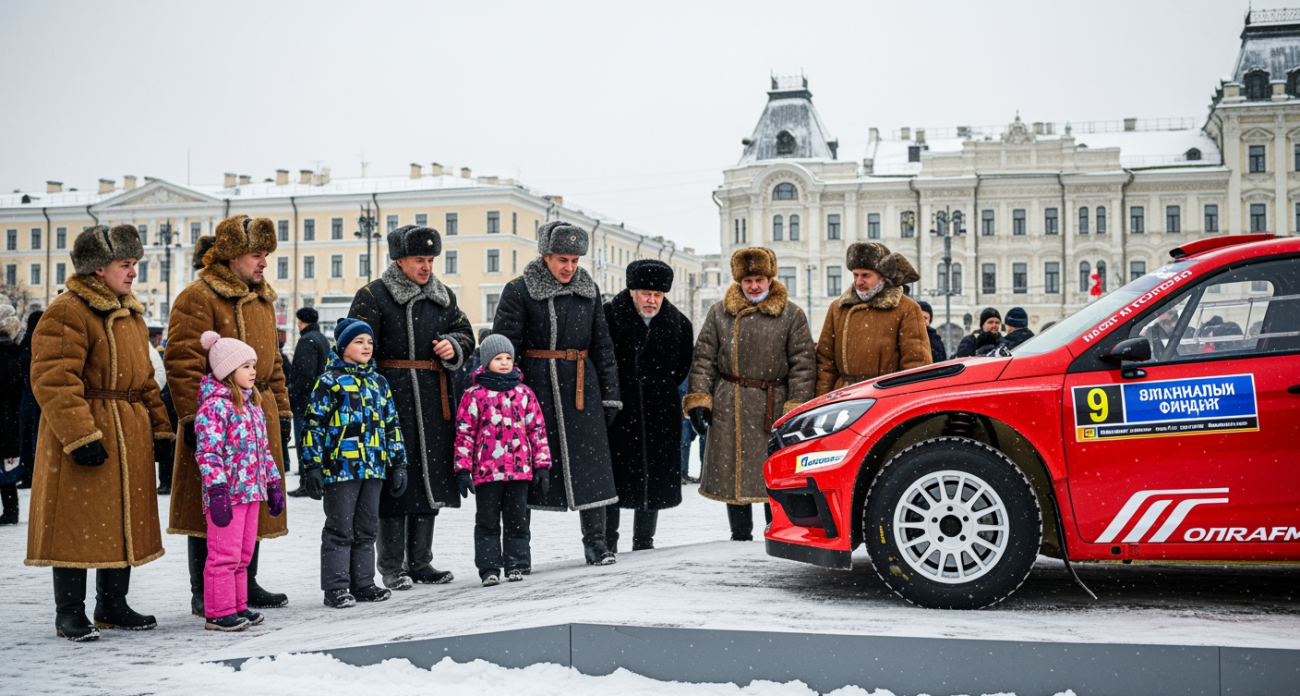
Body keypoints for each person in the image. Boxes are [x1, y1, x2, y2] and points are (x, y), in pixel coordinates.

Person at [25, 224, 173, 642]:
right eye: (125, 265)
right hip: (87, 430)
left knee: (119, 518)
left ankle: (112, 604)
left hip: (128, 430)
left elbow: (144, 379)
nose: (133, 273)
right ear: (97, 270)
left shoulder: (130, 313)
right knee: (77, 522)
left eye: (134, 265)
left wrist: (161, 429)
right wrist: (80, 434)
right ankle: (69, 612)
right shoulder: (67, 310)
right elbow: (54, 377)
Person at [166, 215, 292, 617]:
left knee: (251, 503)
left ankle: (245, 581)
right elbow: (183, 362)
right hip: (216, 420)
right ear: (233, 256)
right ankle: (205, 590)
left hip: (255, 416)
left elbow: (273, 368)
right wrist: (190, 418)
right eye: (257, 255)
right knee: (213, 510)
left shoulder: (264, 300)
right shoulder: (198, 297)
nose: (264, 264)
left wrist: (283, 410)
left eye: (266, 255)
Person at [349, 224, 475, 589]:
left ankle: (421, 561)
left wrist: (454, 344)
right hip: (392, 398)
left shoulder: (443, 295)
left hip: (434, 400)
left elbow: (466, 332)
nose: (427, 267)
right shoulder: (373, 295)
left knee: (429, 480)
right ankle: (391, 567)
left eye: (431, 260)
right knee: (395, 483)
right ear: (400, 260)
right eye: (419, 259)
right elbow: (357, 345)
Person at [492, 221, 622, 565]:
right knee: (526, 473)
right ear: (546, 256)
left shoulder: (588, 291)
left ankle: (597, 545)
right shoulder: (519, 291)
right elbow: (505, 348)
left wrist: (609, 394)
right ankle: (518, 555)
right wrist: (508, 396)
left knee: (591, 470)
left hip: (583, 391)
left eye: (575, 261)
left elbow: (603, 346)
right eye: (562, 259)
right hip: (535, 393)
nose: (569, 267)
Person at [684, 247, 815, 541]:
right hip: (730, 401)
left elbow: (803, 364)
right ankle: (739, 533)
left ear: (770, 278)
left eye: (759, 279)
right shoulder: (719, 312)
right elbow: (704, 357)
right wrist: (700, 400)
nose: (753, 286)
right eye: (747, 281)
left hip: (774, 403)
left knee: (774, 473)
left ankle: (778, 531)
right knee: (735, 471)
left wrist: (796, 405)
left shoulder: (792, 314)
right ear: (739, 282)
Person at [299, 318, 407, 607]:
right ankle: (336, 587)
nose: (366, 347)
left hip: (373, 467)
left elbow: (391, 425)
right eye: (359, 341)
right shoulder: (330, 382)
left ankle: (363, 582)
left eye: (369, 342)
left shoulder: (378, 382)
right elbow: (314, 425)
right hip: (340, 469)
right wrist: (311, 465)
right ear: (343, 346)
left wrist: (399, 463)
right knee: (339, 528)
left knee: (367, 527)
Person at [193, 331, 285, 631]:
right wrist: (217, 489)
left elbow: (264, 451)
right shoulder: (214, 407)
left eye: (253, 365)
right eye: (245, 366)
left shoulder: (251, 406)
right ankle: (218, 612)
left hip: (252, 493)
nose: (253, 371)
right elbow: (208, 452)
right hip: (228, 495)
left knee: (243, 556)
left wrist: (272, 484)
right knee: (224, 556)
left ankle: (237, 605)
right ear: (227, 372)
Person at [603, 260, 694, 552]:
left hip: (659, 412)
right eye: (645, 293)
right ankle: (607, 541)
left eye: (657, 294)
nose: (652, 300)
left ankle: (644, 540)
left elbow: (681, 368)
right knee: (613, 478)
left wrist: (657, 387)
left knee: (651, 477)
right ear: (632, 291)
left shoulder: (679, 324)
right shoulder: (607, 318)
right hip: (618, 411)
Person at [453, 334, 552, 585]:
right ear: (486, 362)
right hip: (487, 473)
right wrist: (462, 469)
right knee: (487, 521)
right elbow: (465, 434)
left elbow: (537, 431)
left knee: (517, 520)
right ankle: (489, 568)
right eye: (498, 358)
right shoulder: (474, 395)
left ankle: (516, 563)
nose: (505, 362)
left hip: (519, 471)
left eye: (508, 357)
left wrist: (542, 466)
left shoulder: (524, 393)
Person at [815, 242, 930, 396]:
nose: (859, 282)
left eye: (866, 275)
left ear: (882, 276)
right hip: (843, 399)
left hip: (885, 398)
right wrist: (822, 401)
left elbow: (916, 365)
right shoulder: (838, 308)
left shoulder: (906, 309)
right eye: (856, 275)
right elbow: (826, 363)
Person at [287, 306, 331, 498]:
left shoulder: (306, 341)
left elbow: (304, 374)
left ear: (300, 321)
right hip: (321, 398)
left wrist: (294, 394)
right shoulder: (322, 339)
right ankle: (317, 480)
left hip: (305, 401)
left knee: (303, 439)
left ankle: (306, 482)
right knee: (317, 440)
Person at [0, 301, 22, 524]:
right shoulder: (15, 354)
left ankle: (10, 511)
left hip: (6, 418)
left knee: (5, 469)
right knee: (7, 468)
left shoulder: (4, 357)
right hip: (10, 418)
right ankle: (11, 509)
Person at [17, 309, 42, 490]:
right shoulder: (42, 342)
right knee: (36, 435)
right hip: (38, 395)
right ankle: (35, 472)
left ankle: (27, 473)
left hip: (26, 396)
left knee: (26, 435)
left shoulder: (26, 342)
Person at [678, 380, 703, 484]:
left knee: (686, 438)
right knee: (685, 438)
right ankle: (683, 472)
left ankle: (683, 472)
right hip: (693, 395)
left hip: (697, 395)